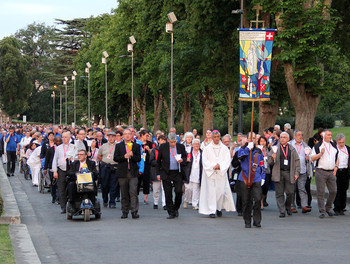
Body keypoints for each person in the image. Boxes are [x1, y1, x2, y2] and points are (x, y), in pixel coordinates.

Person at [199, 130, 236, 218]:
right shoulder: (207, 148)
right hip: (211, 173)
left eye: (218, 137)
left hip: (220, 173)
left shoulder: (224, 148)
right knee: (211, 193)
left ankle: (219, 208)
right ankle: (212, 211)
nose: (216, 139)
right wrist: (213, 166)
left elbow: (227, 160)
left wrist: (220, 166)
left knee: (221, 192)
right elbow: (204, 161)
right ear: (212, 138)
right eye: (214, 137)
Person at [268, 132, 300, 218]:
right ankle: (282, 210)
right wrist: (272, 158)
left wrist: (296, 173)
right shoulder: (275, 148)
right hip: (279, 172)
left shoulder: (292, 149)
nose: (282, 139)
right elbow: (269, 161)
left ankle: (288, 206)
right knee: (279, 193)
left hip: (289, 172)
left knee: (290, 192)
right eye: (281, 137)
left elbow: (297, 161)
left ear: (288, 139)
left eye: (284, 137)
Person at [156, 132, 187, 219]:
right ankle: (171, 212)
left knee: (178, 191)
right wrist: (158, 173)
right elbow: (158, 161)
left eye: (174, 142)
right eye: (171, 142)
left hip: (177, 172)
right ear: (168, 140)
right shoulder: (163, 147)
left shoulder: (180, 146)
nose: (173, 144)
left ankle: (176, 207)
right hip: (166, 172)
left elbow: (185, 158)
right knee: (168, 192)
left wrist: (182, 160)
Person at [238, 132, 265, 228]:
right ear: (247, 139)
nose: (252, 139)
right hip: (244, 178)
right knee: (246, 201)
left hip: (256, 178)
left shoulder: (258, 151)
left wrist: (263, 177)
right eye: (250, 138)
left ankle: (257, 220)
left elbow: (262, 165)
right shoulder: (242, 149)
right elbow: (240, 157)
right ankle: (247, 220)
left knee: (257, 199)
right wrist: (247, 149)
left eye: (254, 138)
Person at [114, 128, 141, 219]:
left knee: (133, 192)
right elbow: (115, 158)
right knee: (124, 192)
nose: (127, 135)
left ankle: (134, 211)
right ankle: (125, 211)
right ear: (123, 136)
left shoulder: (136, 146)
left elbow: (139, 159)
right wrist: (124, 157)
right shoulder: (119, 146)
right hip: (122, 172)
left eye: (129, 134)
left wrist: (132, 156)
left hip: (133, 172)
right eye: (125, 134)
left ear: (132, 135)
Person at [311, 130, 339, 218]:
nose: (330, 136)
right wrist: (321, 153)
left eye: (331, 135)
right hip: (320, 171)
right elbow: (312, 158)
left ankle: (328, 207)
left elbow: (337, 156)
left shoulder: (333, 145)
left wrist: (336, 167)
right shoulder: (318, 145)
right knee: (321, 192)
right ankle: (322, 210)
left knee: (333, 191)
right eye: (328, 135)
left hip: (331, 171)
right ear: (323, 136)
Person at [52, 131, 76, 214]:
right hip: (61, 170)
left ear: (69, 138)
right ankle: (63, 206)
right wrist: (55, 171)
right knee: (61, 188)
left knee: (71, 187)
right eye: (63, 137)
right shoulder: (59, 148)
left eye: (66, 137)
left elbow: (76, 158)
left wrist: (72, 159)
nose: (64, 139)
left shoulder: (73, 147)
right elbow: (55, 159)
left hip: (70, 170)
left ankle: (72, 205)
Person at [290, 130, 312, 213]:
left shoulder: (305, 145)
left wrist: (308, 157)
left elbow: (310, 155)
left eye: (301, 135)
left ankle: (304, 205)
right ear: (295, 136)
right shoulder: (290, 145)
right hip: (292, 170)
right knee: (292, 189)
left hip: (302, 170)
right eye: (298, 135)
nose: (300, 136)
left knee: (302, 188)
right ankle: (292, 206)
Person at [97, 131, 119, 208]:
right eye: (109, 137)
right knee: (104, 184)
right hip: (105, 167)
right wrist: (104, 161)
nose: (111, 138)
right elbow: (99, 156)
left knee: (114, 185)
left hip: (115, 166)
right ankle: (105, 198)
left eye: (112, 137)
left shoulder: (118, 146)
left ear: (115, 137)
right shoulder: (103, 146)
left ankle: (112, 201)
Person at [333, 133, 350, 215]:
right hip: (336, 171)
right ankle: (336, 207)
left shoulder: (348, 149)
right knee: (337, 189)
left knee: (344, 189)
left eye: (342, 142)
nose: (341, 144)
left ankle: (342, 207)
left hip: (345, 171)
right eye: (339, 143)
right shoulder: (334, 149)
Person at [184, 138, 202, 210]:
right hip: (189, 172)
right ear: (192, 145)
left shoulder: (202, 153)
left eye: (198, 144)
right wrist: (186, 160)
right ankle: (186, 200)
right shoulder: (188, 153)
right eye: (195, 144)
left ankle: (195, 204)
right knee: (188, 188)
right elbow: (183, 161)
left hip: (198, 173)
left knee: (196, 189)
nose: (197, 145)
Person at [150, 134, 167, 210]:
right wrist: (159, 162)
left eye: (164, 140)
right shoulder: (154, 150)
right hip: (156, 170)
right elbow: (151, 161)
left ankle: (164, 203)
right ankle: (155, 202)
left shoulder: (168, 150)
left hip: (165, 171)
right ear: (158, 141)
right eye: (161, 140)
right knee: (156, 188)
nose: (163, 141)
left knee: (165, 188)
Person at [44, 136, 62, 204]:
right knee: (53, 183)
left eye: (59, 141)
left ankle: (58, 197)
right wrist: (45, 168)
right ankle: (54, 196)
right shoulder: (50, 149)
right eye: (57, 141)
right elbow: (47, 159)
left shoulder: (62, 149)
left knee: (59, 184)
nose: (58, 143)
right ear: (54, 142)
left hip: (59, 168)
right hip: (52, 168)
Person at [138, 130, 153, 204]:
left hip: (147, 163)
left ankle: (146, 197)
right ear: (142, 135)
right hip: (139, 164)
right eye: (146, 135)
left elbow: (152, 154)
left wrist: (149, 150)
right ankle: (136, 196)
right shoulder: (137, 143)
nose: (147, 137)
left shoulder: (150, 144)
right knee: (137, 180)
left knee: (146, 180)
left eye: (148, 136)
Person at [258, 136, 271, 209]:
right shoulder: (257, 150)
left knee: (265, 188)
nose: (263, 143)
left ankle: (262, 199)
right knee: (259, 187)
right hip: (259, 171)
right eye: (261, 141)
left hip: (267, 170)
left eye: (264, 141)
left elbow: (271, 161)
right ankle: (260, 202)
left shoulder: (269, 150)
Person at [182, 132, 194, 208]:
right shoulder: (182, 145)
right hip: (185, 167)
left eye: (190, 138)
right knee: (187, 186)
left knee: (193, 187)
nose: (189, 139)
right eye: (187, 137)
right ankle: (185, 200)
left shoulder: (194, 146)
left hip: (193, 167)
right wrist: (185, 160)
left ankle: (192, 200)